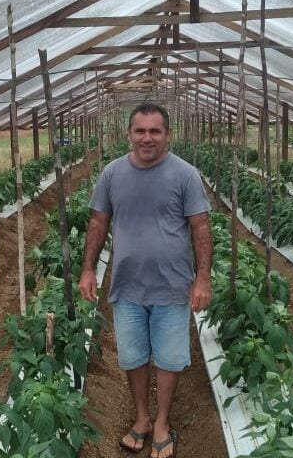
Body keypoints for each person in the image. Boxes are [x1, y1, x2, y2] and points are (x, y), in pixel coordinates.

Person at [79, 103, 212, 458]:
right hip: (127, 286)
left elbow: (200, 228)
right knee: (134, 356)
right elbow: (97, 223)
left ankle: (163, 422)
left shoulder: (185, 175)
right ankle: (141, 418)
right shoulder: (112, 174)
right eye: (140, 131)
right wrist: (89, 269)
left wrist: (202, 279)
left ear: (168, 134)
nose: (147, 138)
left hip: (172, 286)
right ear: (129, 134)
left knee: (169, 359)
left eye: (155, 131)